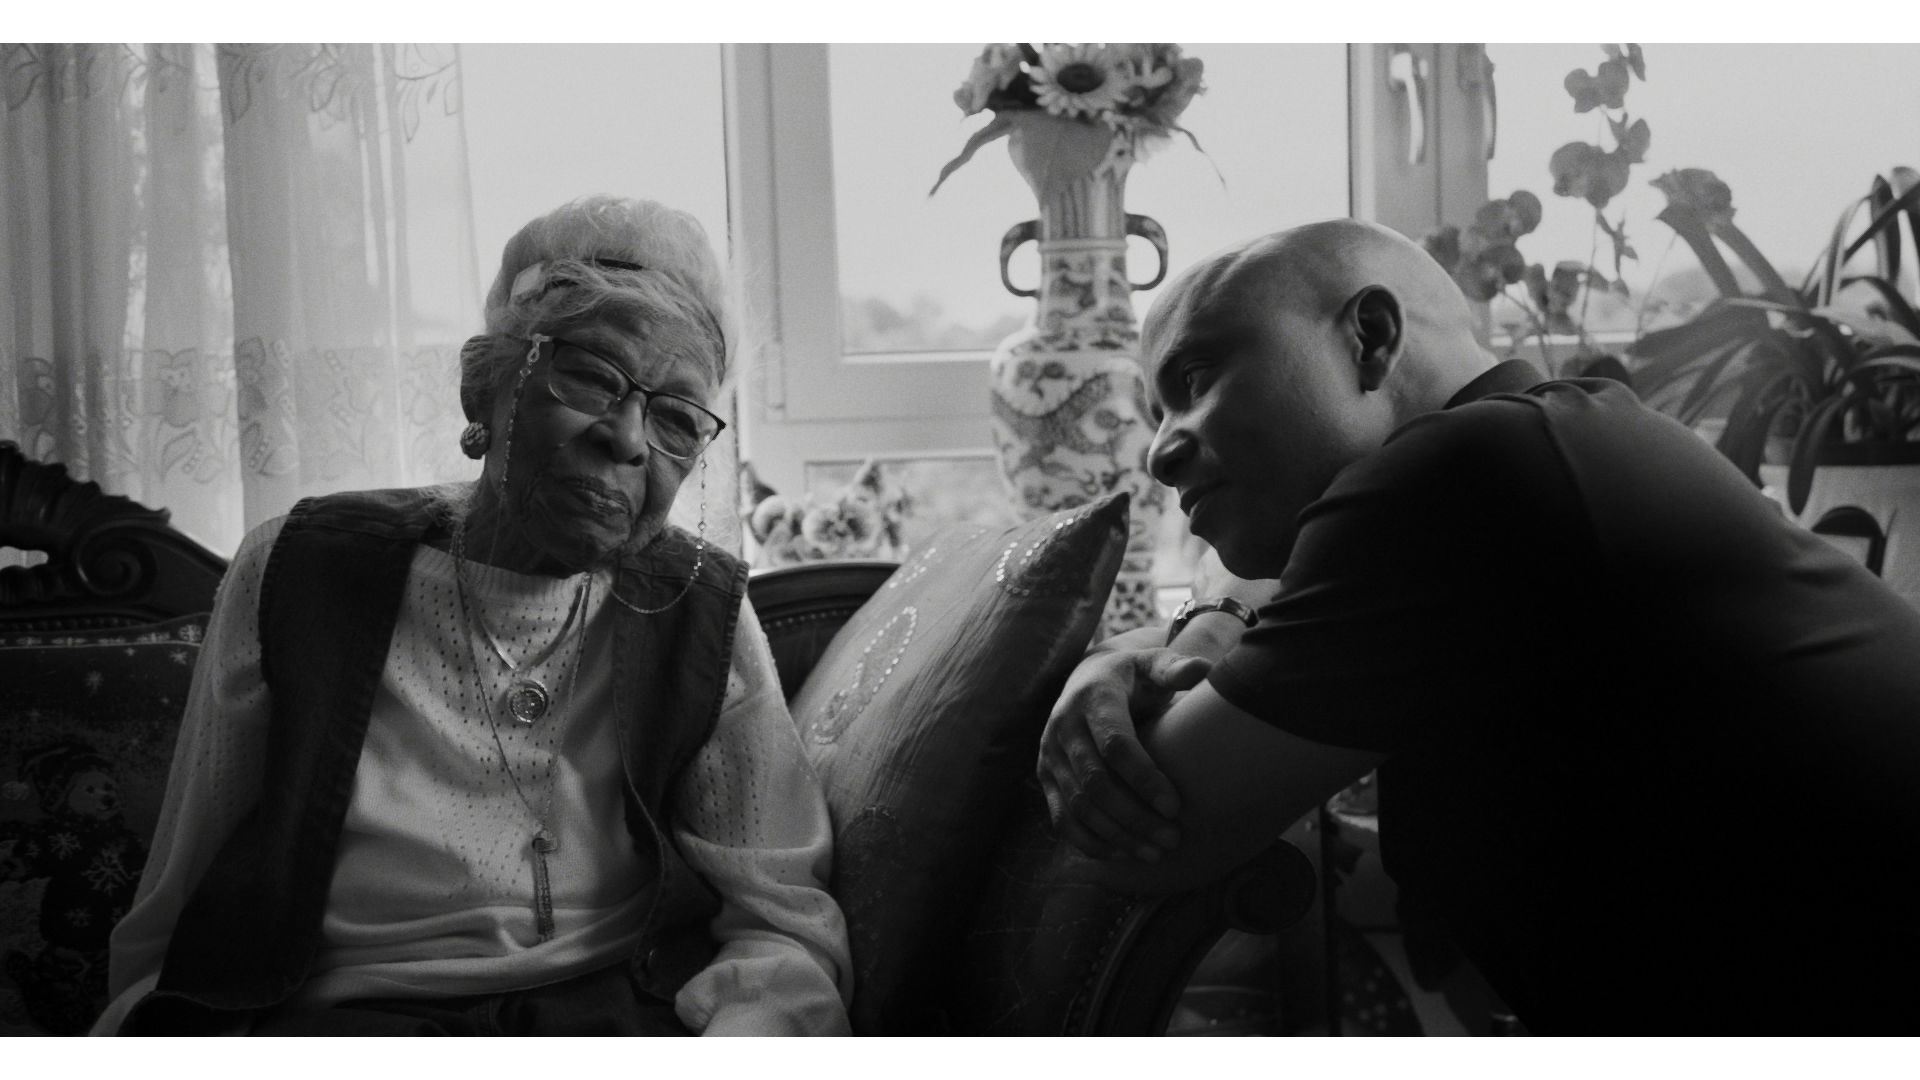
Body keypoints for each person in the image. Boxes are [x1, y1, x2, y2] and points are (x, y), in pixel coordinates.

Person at [1038, 219, 1920, 1076]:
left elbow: (1144, 836)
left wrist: (1149, 649)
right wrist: (1147, 646)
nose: (1160, 453)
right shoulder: (1552, 443)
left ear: (1370, 336)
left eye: (1196, 378)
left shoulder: (1462, 472)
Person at [85, 196, 855, 1080]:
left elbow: (779, 906)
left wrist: (741, 1046)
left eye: (677, 417)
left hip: (610, 1018)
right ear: (484, 386)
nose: (628, 439)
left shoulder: (698, 608)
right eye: (590, 377)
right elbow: (188, 884)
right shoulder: (302, 568)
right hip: (349, 1030)